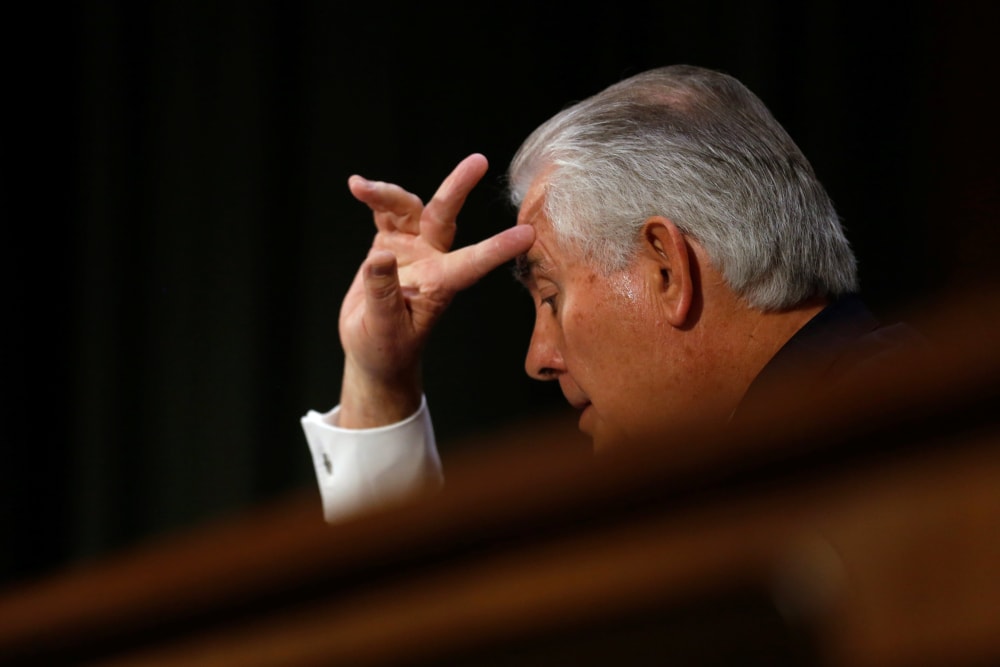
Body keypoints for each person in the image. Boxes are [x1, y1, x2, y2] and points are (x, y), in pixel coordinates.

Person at [301, 64, 923, 521]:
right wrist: (380, 383)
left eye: (549, 295)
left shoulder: (911, 453)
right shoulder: (741, 475)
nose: (538, 358)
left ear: (666, 270)